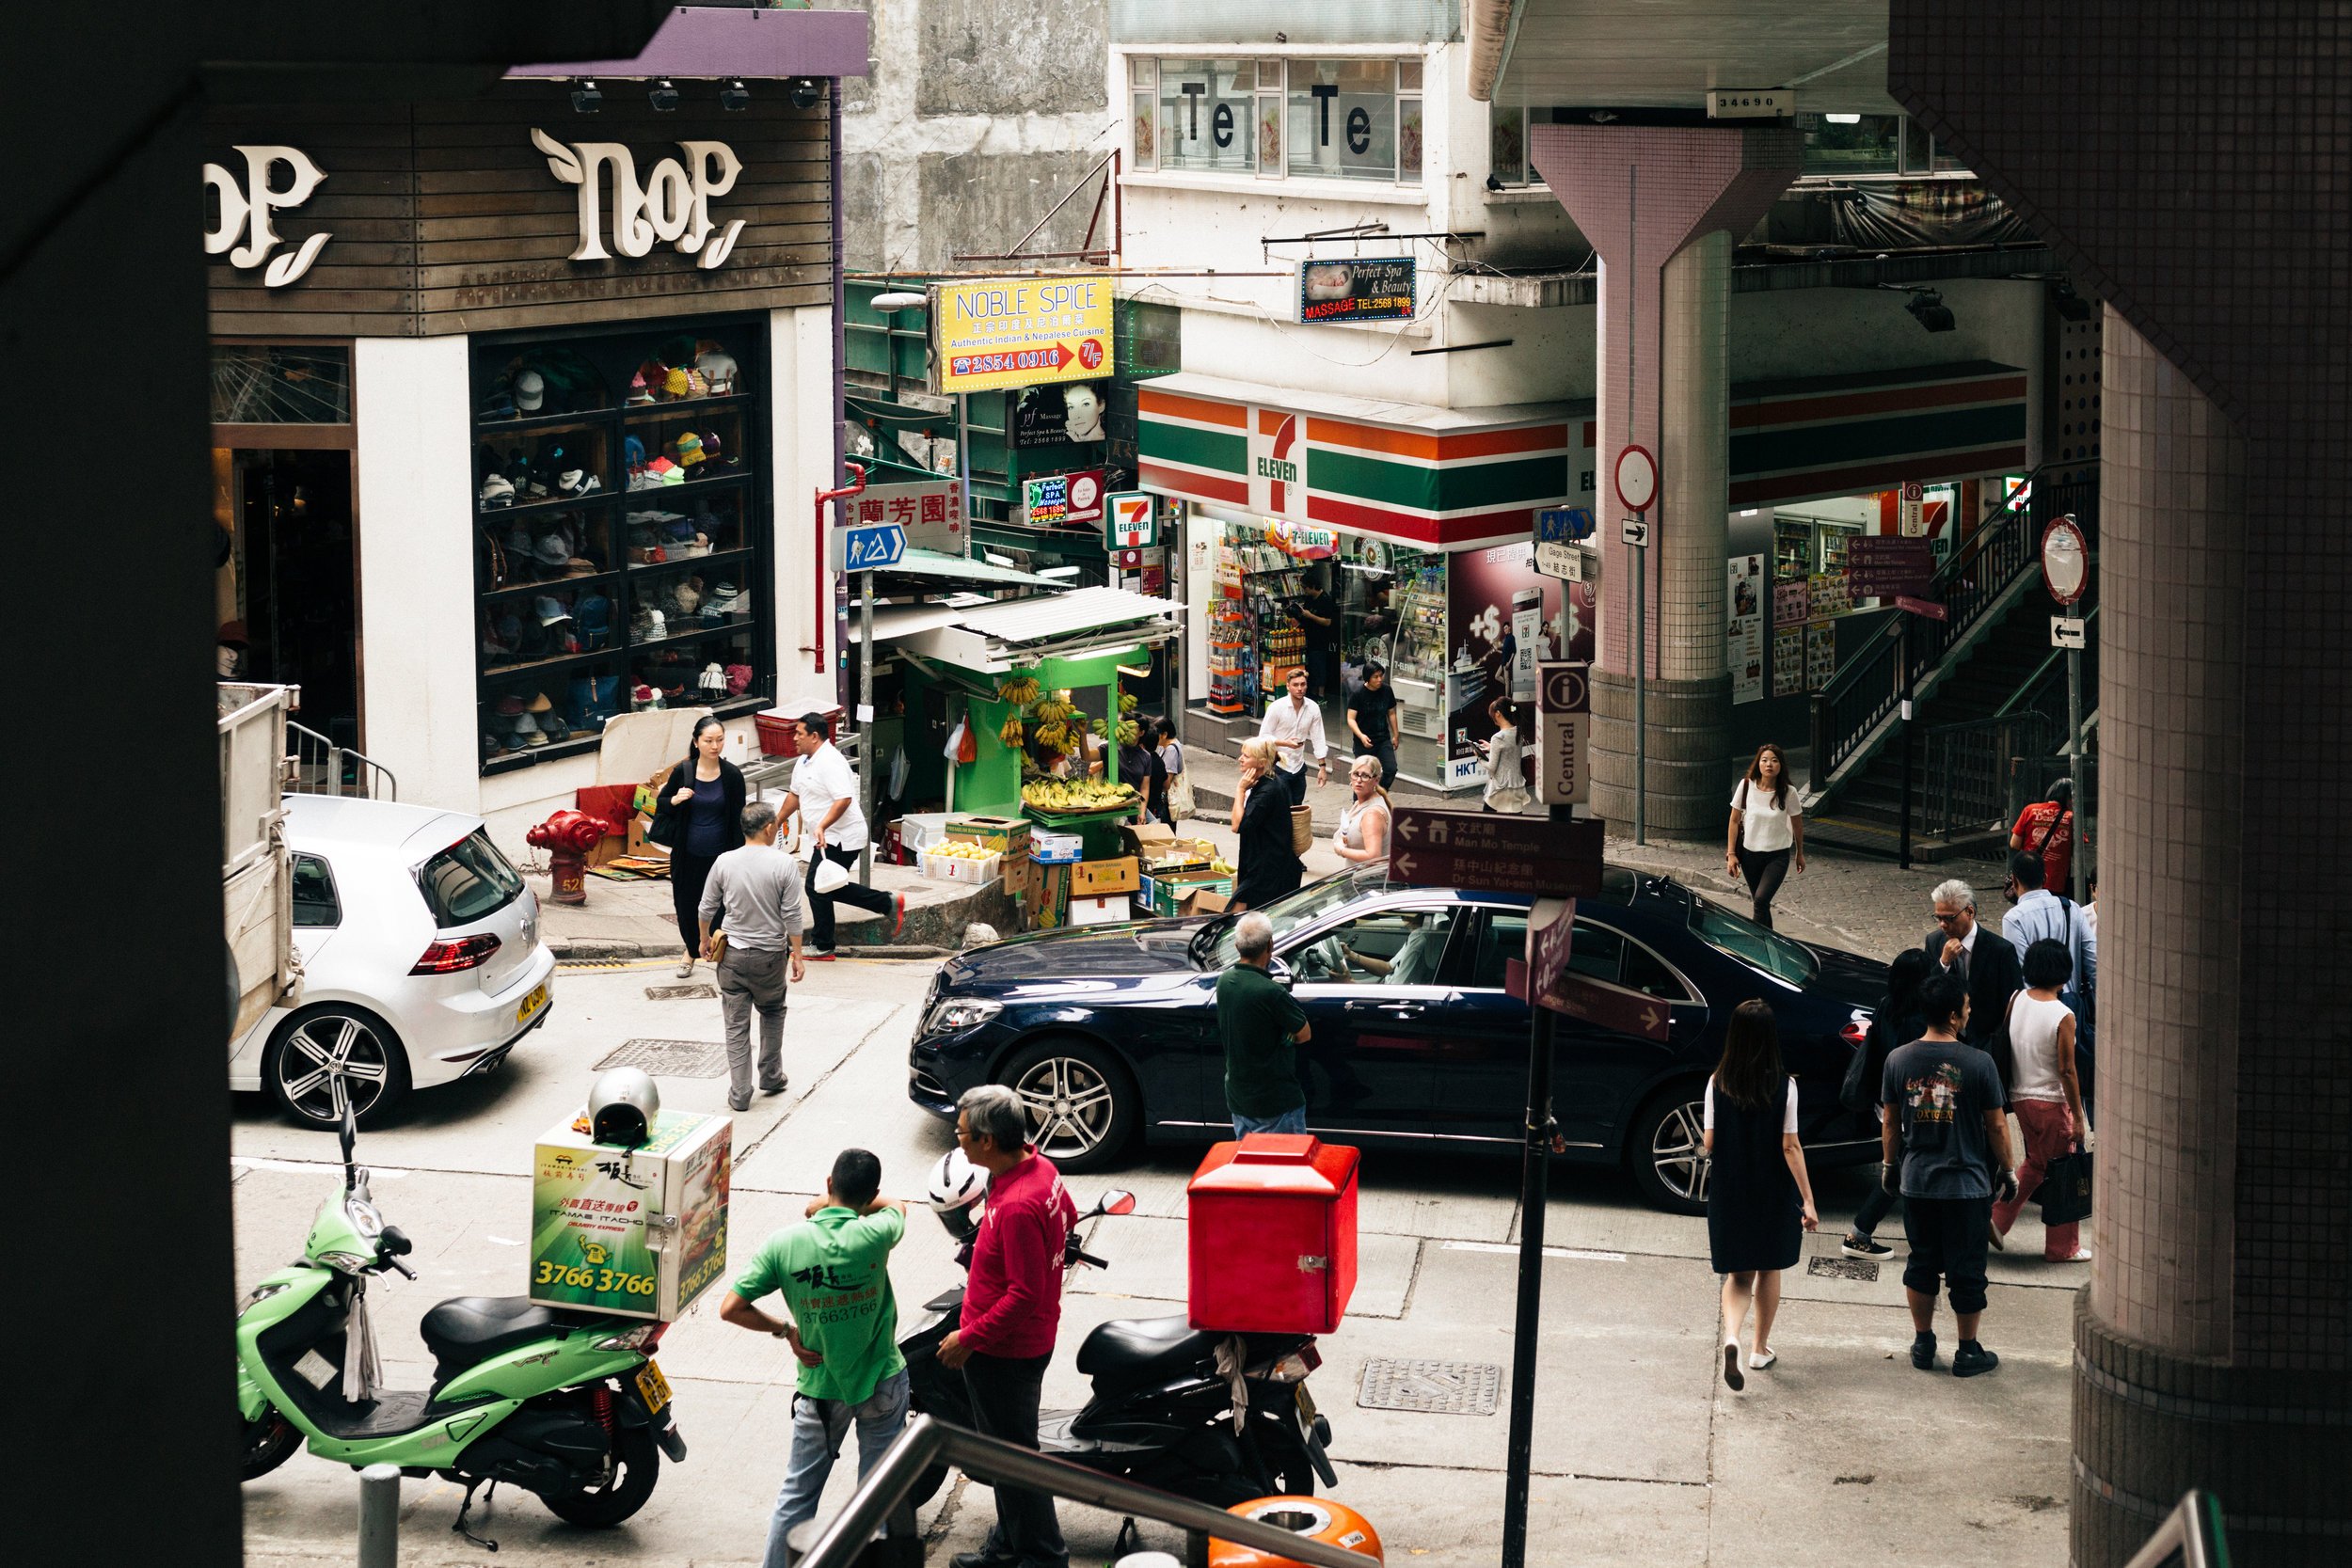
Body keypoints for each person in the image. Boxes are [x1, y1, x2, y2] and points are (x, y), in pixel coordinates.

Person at [717, 1148, 908, 1567]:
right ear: (870, 1194)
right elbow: (898, 1206)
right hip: (882, 1380)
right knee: (878, 1494)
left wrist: (785, 1331)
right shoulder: (877, 1233)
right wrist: (833, 1204)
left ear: (828, 1184)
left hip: (820, 1390)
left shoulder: (785, 1243)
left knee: (798, 1494)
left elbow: (731, 1308)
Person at [935, 1085, 1079, 1568]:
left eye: (961, 1135)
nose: (958, 1144)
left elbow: (1024, 1295)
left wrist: (967, 1338)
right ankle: (1007, 1546)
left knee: (1015, 1460)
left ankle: (1041, 1556)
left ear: (987, 1141)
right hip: (1022, 1340)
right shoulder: (1040, 1169)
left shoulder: (1018, 1203)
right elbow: (1070, 1216)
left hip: (1007, 1352)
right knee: (1004, 1454)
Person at [1881, 971, 2018, 1377]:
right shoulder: (1979, 1063)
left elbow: (1890, 1124)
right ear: (1955, 1016)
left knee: (1921, 1262)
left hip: (1918, 1182)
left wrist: (1890, 1167)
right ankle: (1967, 1350)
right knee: (1967, 1270)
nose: (1970, 1012)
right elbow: (1996, 1126)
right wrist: (2009, 1171)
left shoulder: (1899, 1060)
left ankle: (1923, 1343)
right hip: (1967, 1185)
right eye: (1968, 1007)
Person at [1704, 1001, 1819, 1389]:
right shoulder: (1786, 1086)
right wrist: (1808, 1200)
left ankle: (1732, 1335)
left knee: (1738, 1276)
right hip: (1771, 1191)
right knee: (1769, 1268)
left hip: (1729, 1190)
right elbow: (1791, 1147)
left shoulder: (1717, 1081)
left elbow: (1709, 1141)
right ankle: (1759, 1348)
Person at [697, 802, 808, 1111]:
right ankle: (771, 1075)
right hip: (770, 957)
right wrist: (797, 955)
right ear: (770, 828)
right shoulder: (784, 864)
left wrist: (704, 939)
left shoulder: (724, 862)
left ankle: (740, 1092)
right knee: (772, 1012)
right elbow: (792, 915)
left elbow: (706, 908)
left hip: (731, 955)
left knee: (736, 1025)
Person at [1989, 938, 2092, 1261]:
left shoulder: (2016, 999)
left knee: (2035, 1163)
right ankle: (2063, 1247)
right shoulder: (2063, 1015)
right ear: (2063, 974)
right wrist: (2078, 1117)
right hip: (2051, 1102)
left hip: (2020, 1098)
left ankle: (1996, 1218)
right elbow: (2067, 1070)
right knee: (2064, 1172)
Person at [778, 713, 904, 959]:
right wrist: (777, 821)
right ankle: (886, 903)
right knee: (825, 887)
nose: (794, 738)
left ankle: (824, 944)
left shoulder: (830, 762)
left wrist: (823, 825)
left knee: (817, 887)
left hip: (842, 836)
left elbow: (843, 799)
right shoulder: (804, 761)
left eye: (799, 734)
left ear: (814, 737)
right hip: (825, 836)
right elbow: (794, 795)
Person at [1840, 948, 1932, 1259]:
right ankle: (1860, 1233)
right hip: (1914, 1105)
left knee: (1906, 1166)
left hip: (1887, 1099)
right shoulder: (1920, 1018)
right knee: (1903, 1171)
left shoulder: (1887, 1006)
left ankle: (1865, 1233)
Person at [651, 715, 746, 978]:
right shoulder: (684, 771)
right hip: (687, 854)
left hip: (721, 857)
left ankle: (719, 954)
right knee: (687, 906)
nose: (715, 746)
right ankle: (691, 951)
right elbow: (659, 803)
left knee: (722, 908)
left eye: (720, 740)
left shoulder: (732, 776)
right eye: (709, 740)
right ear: (696, 742)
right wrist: (675, 800)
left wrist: (742, 856)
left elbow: (740, 820)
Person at [1216, 911, 1312, 1136]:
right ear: (1270, 945)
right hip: (1275, 1103)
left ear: (1238, 946)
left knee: (1252, 1167)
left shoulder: (1224, 982)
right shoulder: (1271, 992)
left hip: (1239, 1100)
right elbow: (1304, 1033)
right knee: (1286, 1168)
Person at [1920, 879, 2023, 1054]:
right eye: (1939, 918)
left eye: (1949, 918)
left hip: (1986, 1045)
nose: (1943, 925)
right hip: (1946, 1044)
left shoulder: (2000, 950)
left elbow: (2013, 1005)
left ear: (1970, 912)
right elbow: (1927, 992)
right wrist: (1943, 963)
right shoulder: (1934, 942)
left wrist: (1992, 1045)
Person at [1725, 742, 1804, 929]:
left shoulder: (1789, 792)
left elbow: (1798, 825)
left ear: (1781, 766)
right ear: (1758, 764)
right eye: (1765, 760)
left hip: (1777, 856)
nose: (1769, 764)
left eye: (1774, 761)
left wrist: (1800, 853)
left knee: (1760, 901)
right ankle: (1772, 947)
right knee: (1761, 905)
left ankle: (1757, 947)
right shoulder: (1746, 786)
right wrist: (1731, 854)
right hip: (1749, 855)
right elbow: (1734, 820)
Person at [1229, 738, 1303, 913]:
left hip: (1266, 870)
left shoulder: (1268, 791)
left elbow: (1236, 825)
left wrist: (1240, 790)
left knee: (1238, 916)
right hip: (1261, 865)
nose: (1241, 759)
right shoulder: (1267, 783)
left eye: (1246, 756)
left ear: (1261, 763)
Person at [1256, 667, 1330, 806]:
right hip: (1277, 765)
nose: (1300, 688)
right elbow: (1263, 736)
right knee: (1281, 808)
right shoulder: (1277, 707)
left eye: (1303, 684)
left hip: (1298, 766)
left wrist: (1322, 768)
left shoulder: (1313, 708)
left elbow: (1318, 738)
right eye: (1295, 685)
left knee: (1297, 808)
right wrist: (1285, 743)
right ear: (1288, 686)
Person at [2010, 778, 2081, 897]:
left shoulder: (2030, 810)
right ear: (2069, 798)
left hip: (2027, 877)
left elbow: (2014, 843)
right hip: (2056, 881)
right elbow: (2079, 850)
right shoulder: (2072, 818)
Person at [1346, 661, 1401, 789]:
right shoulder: (1358, 694)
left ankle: (1379, 793)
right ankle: (1359, 802)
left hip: (1383, 739)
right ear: (1368, 678)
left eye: (1381, 676)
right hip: (1364, 742)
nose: (1379, 679)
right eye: (1375, 677)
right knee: (1362, 776)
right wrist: (1361, 736)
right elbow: (1351, 719)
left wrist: (1396, 735)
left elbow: (1391, 713)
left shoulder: (1387, 690)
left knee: (1390, 769)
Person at [1331, 755, 1390, 866]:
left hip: (1366, 881)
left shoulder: (1372, 814)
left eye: (1365, 776)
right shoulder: (1359, 804)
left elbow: (1373, 857)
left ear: (1376, 780)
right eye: (1355, 774)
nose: (1358, 780)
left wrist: (1341, 851)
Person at [1292, 579, 1339, 699]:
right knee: (1312, 665)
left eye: (1305, 588)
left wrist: (1310, 616)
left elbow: (1327, 622)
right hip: (1309, 637)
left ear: (1313, 586)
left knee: (1319, 665)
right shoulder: (1309, 599)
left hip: (1321, 639)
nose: (1304, 591)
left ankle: (1321, 694)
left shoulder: (1326, 600)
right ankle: (1313, 691)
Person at [1481, 697, 1528, 813]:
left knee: (1487, 821)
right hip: (1516, 786)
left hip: (1500, 788)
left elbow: (1492, 767)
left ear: (1498, 714)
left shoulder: (1498, 737)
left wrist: (1479, 757)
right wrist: (1492, 747)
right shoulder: (1518, 732)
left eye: (1492, 716)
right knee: (1515, 824)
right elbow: (1510, 751)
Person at [1154, 717, 1192, 822]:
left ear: (1164, 734)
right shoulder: (1171, 744)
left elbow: (1167, 780)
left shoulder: (1171, 749)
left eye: (1156, 734)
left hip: (1167, 800)